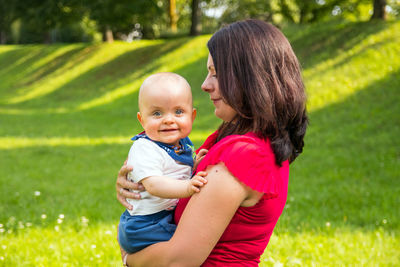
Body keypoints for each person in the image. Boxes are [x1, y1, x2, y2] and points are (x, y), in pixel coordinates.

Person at [116, 19, 308, 266]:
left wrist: (128, 257)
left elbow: (178, 260)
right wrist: (140, 180)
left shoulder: (244, 155)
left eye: (216, 74)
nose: (205, 85)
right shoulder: (235, 137)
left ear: (249, 79)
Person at [118, 72, 208, 254]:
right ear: (142, 120)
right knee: (188, 247)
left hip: (161, 218)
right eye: (157, 113)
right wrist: (188, 187)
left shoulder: (181, 144)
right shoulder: (144, 148)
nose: (168, 119)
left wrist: (195, 165)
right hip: (145, 225)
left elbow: (174, 170)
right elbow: (154, 184)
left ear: (192, 116)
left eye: (178, 112)